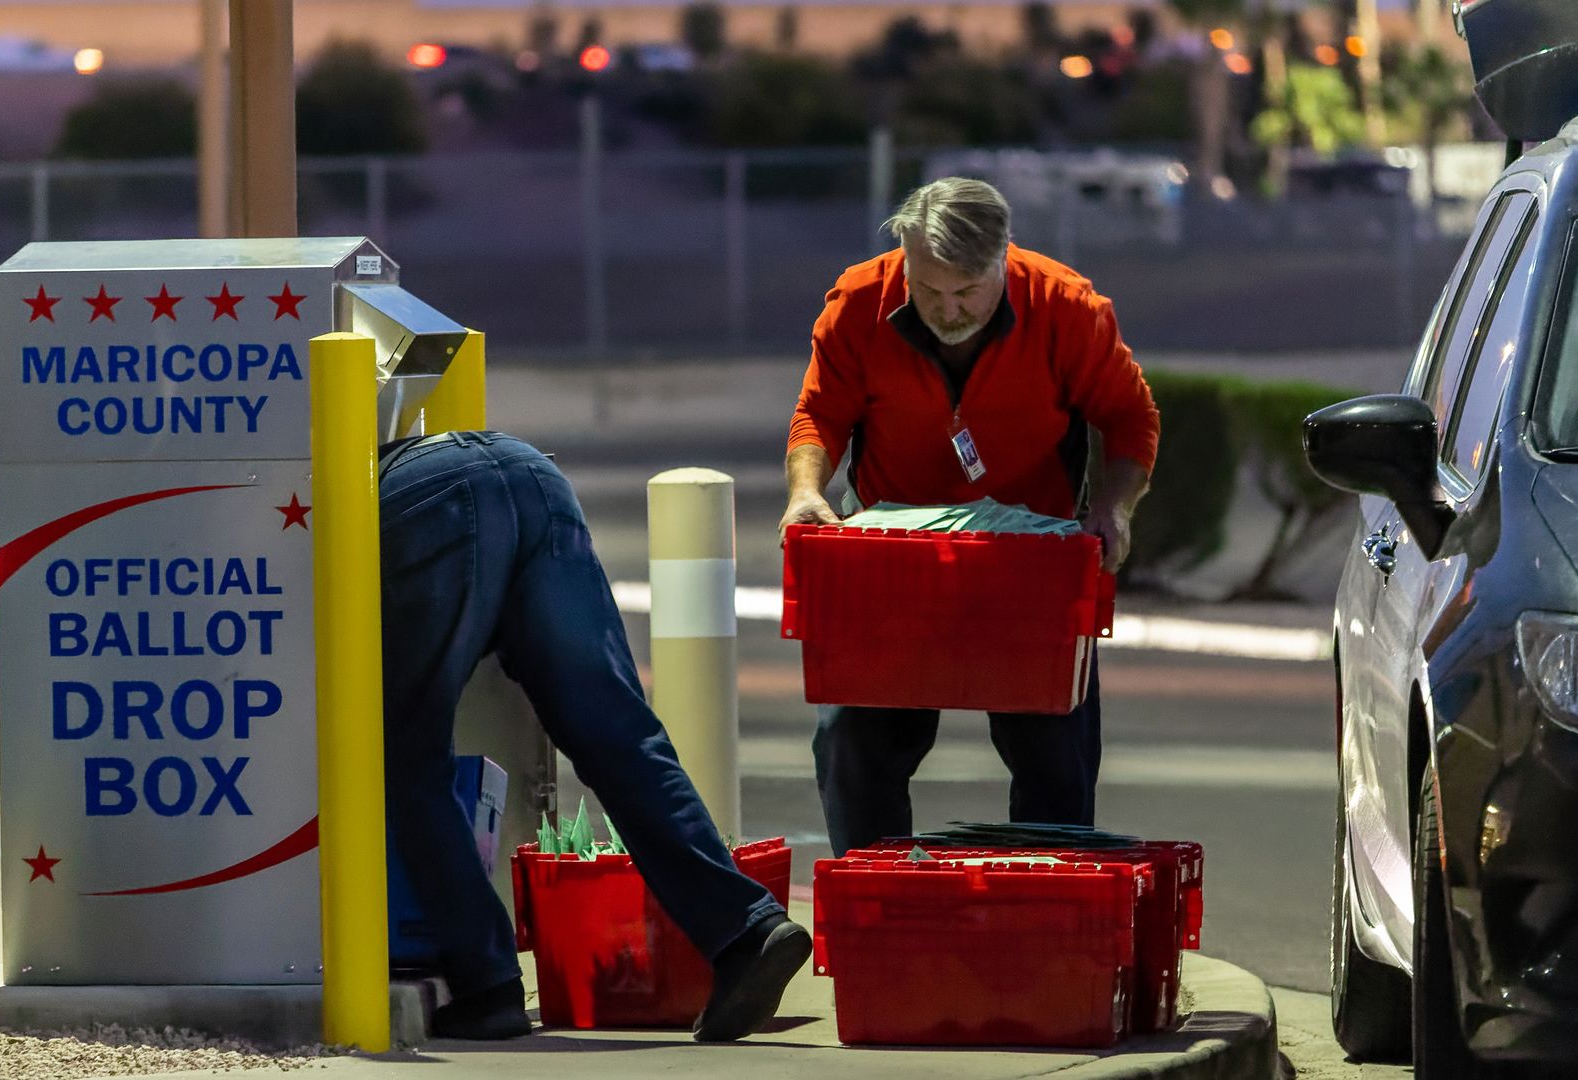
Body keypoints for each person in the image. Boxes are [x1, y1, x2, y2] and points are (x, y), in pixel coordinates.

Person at [380, 430, 811, 1041]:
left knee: (406, 759)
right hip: (530, 471)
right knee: (618, 732)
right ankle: (746, 929)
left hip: (415, 496)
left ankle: (486, 981)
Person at [781, 177, 1160, 858]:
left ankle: (1046, 913)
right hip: (893, 559)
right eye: (928, 291)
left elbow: (1131, 418)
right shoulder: (860, 299)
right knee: (854, 744)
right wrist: (806, 489)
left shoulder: (1067, 306)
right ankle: (876, 901)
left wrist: (1113, 507)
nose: (947, 310)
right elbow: (819, 414)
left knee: (1056, 757)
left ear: (1002, 262)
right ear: (906, 260)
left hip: (1030, 566)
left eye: (966, 293)